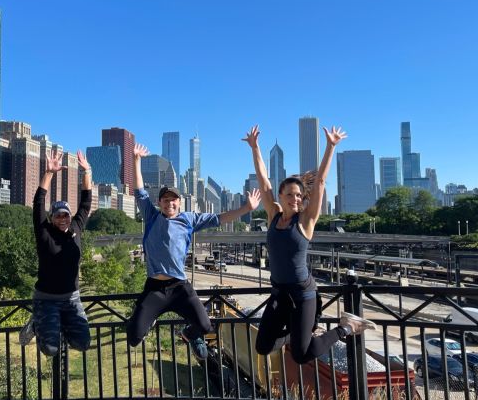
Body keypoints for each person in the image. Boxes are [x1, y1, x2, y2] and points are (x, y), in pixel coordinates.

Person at [243, 124, 375, 364]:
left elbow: (321, 182)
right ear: (280, 196)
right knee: (263, 346)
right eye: (289, 194)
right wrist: (255, 148)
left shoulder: (305, 221)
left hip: (303, 293)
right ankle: (297, 334)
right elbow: (263, 182)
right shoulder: (273, 215)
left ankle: (346, 327)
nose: (295, 199)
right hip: (279, 293)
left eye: (298, 195)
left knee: (302, 354)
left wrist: (331, 146)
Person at [127, 143, 261, 360]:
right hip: (154, 287)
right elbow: (139, 191)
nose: (170, 202)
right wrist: (136, 160)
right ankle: (150, 318)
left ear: (179, 202)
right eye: (165, 199)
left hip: (179, 286)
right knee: (134, 338)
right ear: (160, 202)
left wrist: (246, 208)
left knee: (205, 325)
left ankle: (188, 333)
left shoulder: (188, 219)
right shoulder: (151, 217)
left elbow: (219, 218)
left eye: (173, 199)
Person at [19, 149, 93, 357]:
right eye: (58, 215)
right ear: (52, 217)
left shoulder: (76, 228)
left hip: (72, 299)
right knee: (50, 350)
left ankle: (52, 325)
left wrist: (87, 171)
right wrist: (49, 172)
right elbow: (37, 204)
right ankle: (38, 323)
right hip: (46, 299)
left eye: (66, 215)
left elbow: (86, 203)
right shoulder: (44, 233)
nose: (63, 219)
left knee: (83, 343)